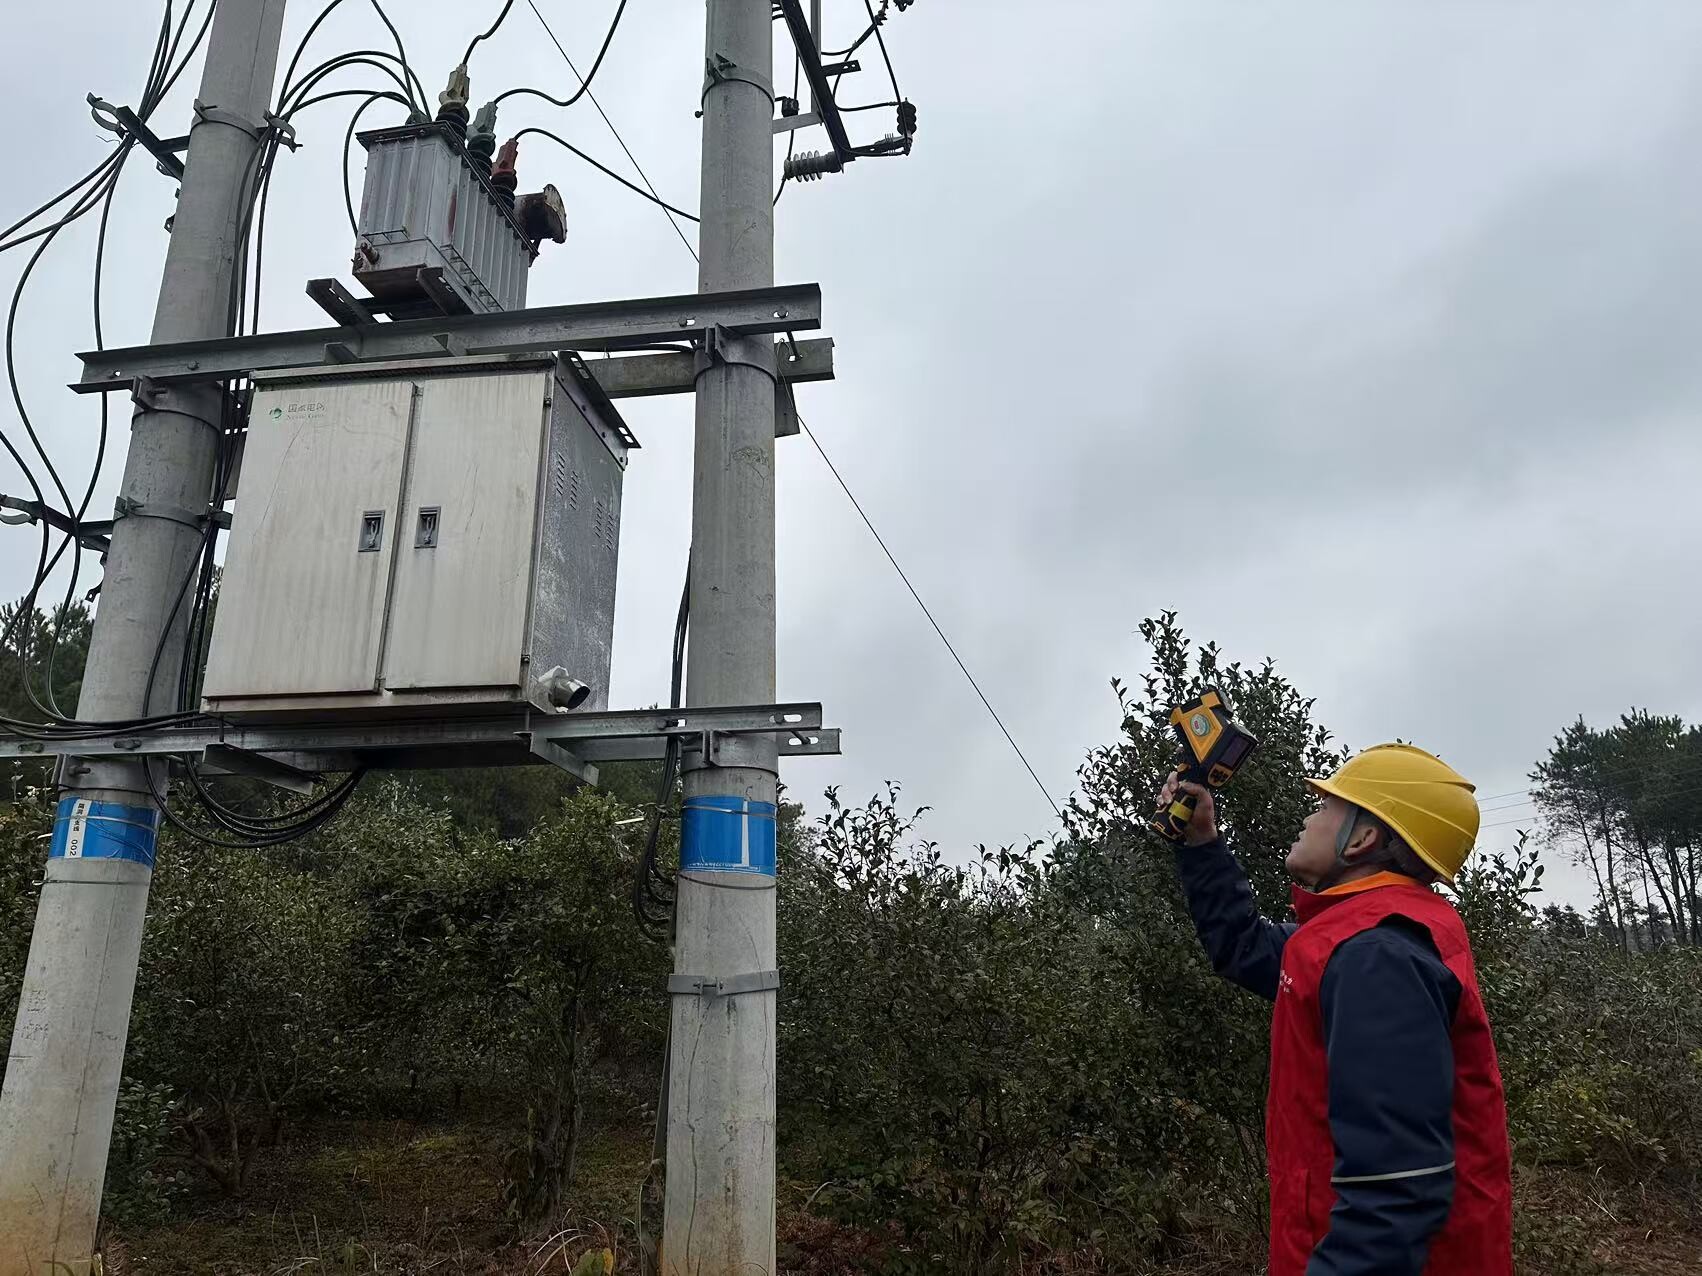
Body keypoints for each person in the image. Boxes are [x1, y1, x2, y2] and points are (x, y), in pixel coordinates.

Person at [1159, 743, 1513, 1276]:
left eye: (1326, 807)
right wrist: (1202, 842)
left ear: (1365, 838)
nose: (1309, 816)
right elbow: (1244, 949)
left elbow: (1395, 1190)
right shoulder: (1354, 939)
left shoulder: (1378, 956)